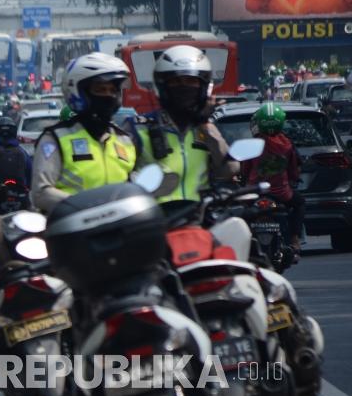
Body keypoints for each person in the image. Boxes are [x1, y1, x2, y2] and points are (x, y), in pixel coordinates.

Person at [127, 45, 238, 204]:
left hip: (197, 220)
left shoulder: (204, 130)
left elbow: (230, 170)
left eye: (191, 81)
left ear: (204, 88)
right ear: (161, 87)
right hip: (154, 222)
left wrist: (205, 125)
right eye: (176, 82)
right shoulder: (139, 129)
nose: (184, 87)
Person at [31, 53, 138, 214]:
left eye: (113, 90)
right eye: (100, 89)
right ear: (79, 91)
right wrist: (86, 207)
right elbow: (41, 193)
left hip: (119, 229)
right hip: (71, 231)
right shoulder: (55, 139)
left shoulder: (124, 140)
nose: (108, 95)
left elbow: (134, 189)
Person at [244, 102, 305, 254]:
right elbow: (293, 171)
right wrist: (294, 178)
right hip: (282, 194)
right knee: (300, 203)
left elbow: (245, 170)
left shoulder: (252, 143)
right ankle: (295, 239)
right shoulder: (286, 144)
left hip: (254, 192)